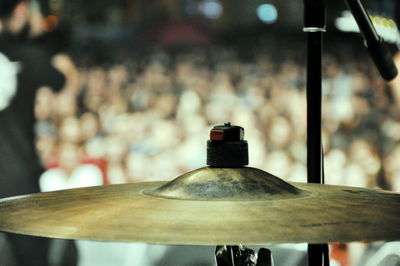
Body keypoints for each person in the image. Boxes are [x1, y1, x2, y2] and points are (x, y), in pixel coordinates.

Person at [0, 0, 71, 265]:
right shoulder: (29, 54)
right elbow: (63, 78)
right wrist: (36, 34)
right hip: (18, 183)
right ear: (21, 11)